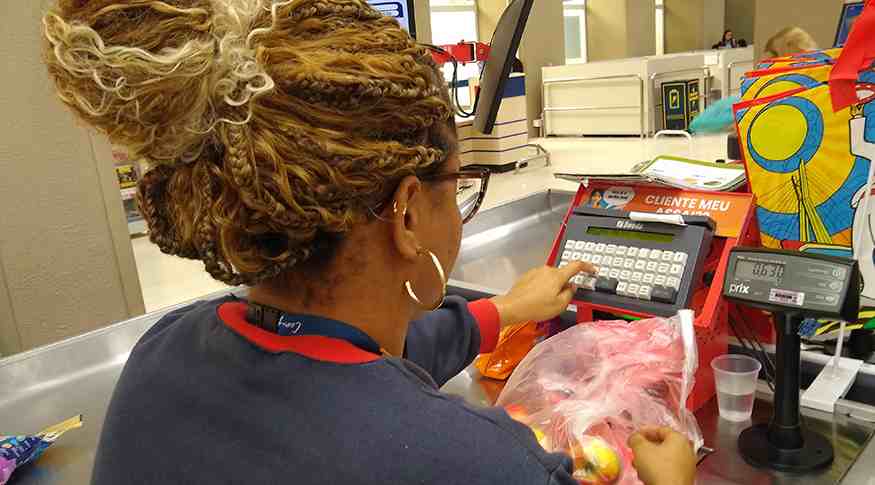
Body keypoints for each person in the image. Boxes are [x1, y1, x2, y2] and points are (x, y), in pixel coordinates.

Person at [42, 1, 697, 484]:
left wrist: (506, 311)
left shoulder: (163, 351)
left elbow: (351, 360)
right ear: (406, 214)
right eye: (457, 184)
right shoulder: (482, 465)